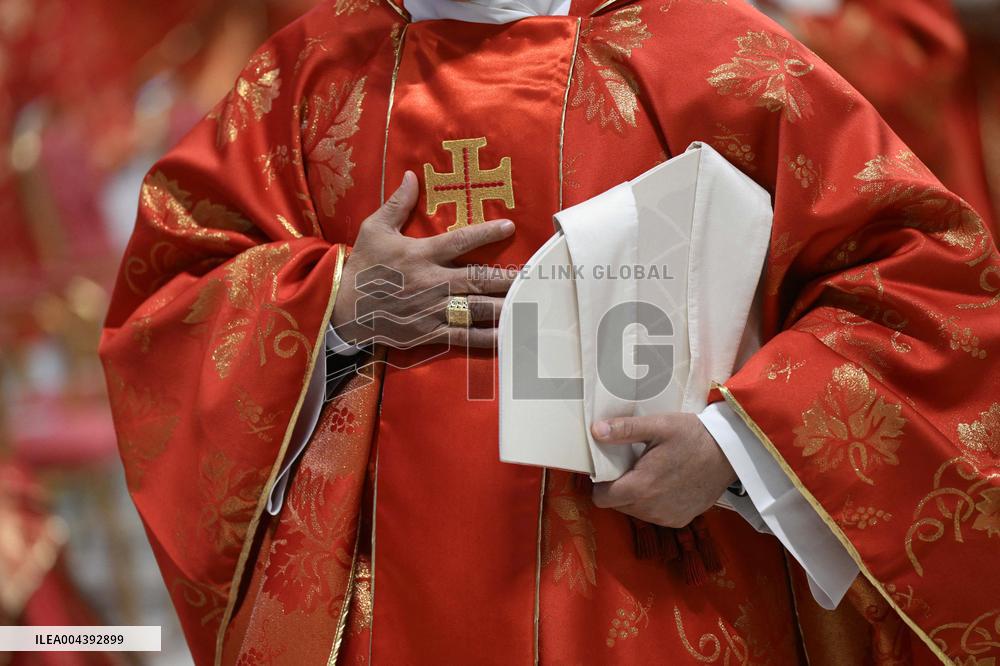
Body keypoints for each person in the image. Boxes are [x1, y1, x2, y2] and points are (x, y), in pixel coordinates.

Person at [99, 0, 1000, 663]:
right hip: (378, 602)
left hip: (651, 595)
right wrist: (334, 301)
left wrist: (735, 443)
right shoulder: (308, 74)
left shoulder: (719, 58)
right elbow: (169, 304)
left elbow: (928, 288)